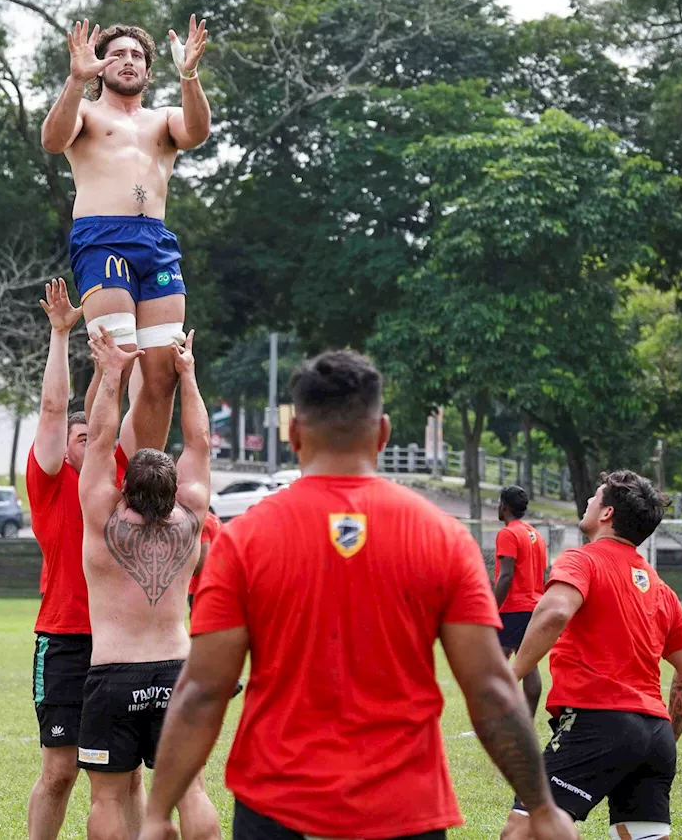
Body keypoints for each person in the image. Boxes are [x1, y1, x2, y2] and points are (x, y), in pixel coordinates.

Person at [136, 350, 578, 840]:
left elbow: (202, 691)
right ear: (384, 433)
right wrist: (541, 808)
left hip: (277, 809)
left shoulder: (244, 540)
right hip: (405, 811)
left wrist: (157, 815)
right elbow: (491, 689)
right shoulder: (442, 537)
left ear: (295, 434)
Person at [500, 471, 682, 840]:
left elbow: (555, 613)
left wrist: (510, 674)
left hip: (598, 723)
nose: (588, 503)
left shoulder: (582, 561)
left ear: (607, 513)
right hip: (655, 735)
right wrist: (660, 739)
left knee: (525, 831)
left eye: (594, 498)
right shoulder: (659, 586)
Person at [41, 15, 211, 453]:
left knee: (163, 372)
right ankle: (96, 473)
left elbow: (197, 132)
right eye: (116, 54)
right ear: (100, 65)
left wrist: (189, 74)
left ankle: (142, 481)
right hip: (102, 238)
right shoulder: (84, 111)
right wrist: (76, 79)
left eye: (136, 55)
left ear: (149, 71)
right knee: (116, 359)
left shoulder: (165, 119)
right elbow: (52, 140)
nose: (127, 60)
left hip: (156, 242)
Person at [77, 328, 220, 840]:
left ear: (125, 487)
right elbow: (199, 440)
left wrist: (113, 371)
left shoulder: (101, 514)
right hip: (177, 671)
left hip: (113, 673)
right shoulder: (193, 516)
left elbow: (98, 439)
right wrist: (188, 375)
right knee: (191, 790)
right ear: (175, 488)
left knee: (109, 796)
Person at [26, 279, 141, 840]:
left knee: (126, 776)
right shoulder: (50, 483)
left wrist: (124, 358)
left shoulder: (117, 471)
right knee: (60, 771)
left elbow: (114, 411)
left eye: (87, 430)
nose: (84, 435)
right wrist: (60, 333)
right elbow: (54, 407)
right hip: (67, 638)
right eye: (77, 432)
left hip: (123, 638)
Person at [493, 485, 548, 716]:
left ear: (504, 506)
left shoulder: (508, 533)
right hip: (534, 606)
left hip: (513, 608)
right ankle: (526, 718)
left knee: (493, 662)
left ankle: (500, 717)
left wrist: (491, 609)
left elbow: (506, 575)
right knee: (529, 664)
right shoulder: (536, 535)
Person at [187, 510, 223, 611]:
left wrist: (183, 576)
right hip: (216, 582)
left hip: (200, 586)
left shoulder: (201, 522)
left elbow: (203, 558)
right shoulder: (213, 518)